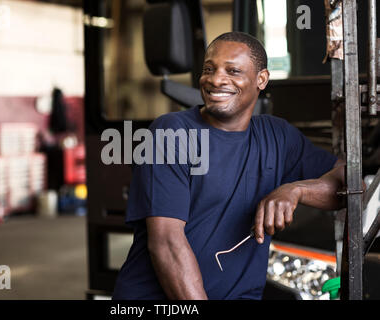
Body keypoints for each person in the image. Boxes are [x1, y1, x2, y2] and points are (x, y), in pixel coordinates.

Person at [112, 32, 345, 300]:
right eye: (209, 69)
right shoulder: (171, 133)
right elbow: (167, 244)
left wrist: (297, 190)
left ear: (261, 79)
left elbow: (348, 182)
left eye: (232, 71)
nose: (215, 79)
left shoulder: (278, 136)